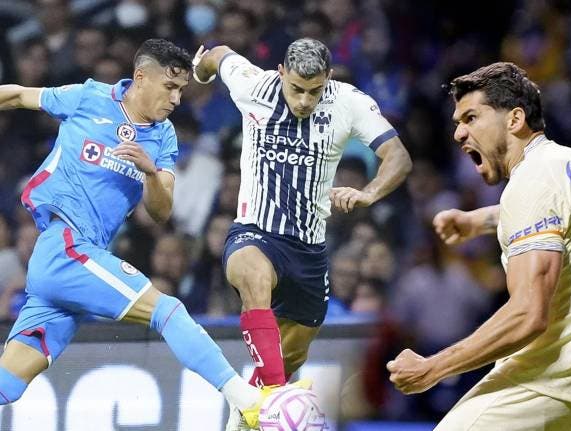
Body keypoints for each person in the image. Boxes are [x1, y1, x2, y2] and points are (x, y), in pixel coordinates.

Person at [0, 38, 268, 429]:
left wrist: (150, 173)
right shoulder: (89, 97)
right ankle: (245, 400)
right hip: (64, 246)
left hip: (76, 259)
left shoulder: (164, 137)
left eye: (181, 90)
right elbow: (19, 95)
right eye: (170, 86)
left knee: (8, 382)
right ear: (141, 77)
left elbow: (161, 211)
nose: (176, 99)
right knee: (167, 310)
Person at [386, 62, 571, 430]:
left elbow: (528, 314)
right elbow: (561, 216)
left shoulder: (533, 181)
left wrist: (432, 368)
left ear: (515, 119)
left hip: (546, 381)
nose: (458, 133)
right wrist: (479, 220)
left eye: (471, 118)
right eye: (457, 122)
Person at [192, 38, 412, 390]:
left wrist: (368, 193)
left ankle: (251, 407)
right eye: (297, 89)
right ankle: (275, 404)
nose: (305, 101)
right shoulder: (253, 85)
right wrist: (201, 72)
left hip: (308, 250)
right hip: (254, 232)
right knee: (254, 278)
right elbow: (219, 55)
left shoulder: (348, 102)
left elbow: (398, 157)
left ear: (328, 78)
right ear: (281, 73)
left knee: (290, 357)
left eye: (314, 91)